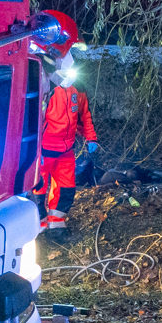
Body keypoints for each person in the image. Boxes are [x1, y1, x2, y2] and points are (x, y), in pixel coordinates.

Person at [32, 12, 97, 241]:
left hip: (65, 151)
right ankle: (37, 228)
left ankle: (56, 225)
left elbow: (84, 116)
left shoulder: (75, 90)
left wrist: (91, 139)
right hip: (44, 150)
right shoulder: (45, 88)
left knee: (67, 189)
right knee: (38, 188)